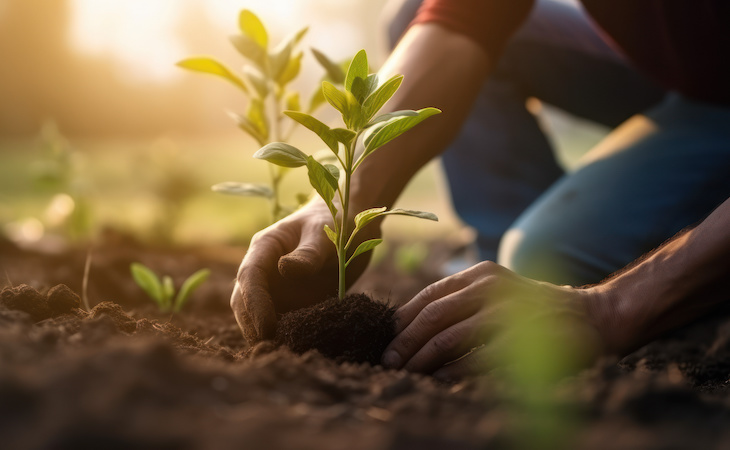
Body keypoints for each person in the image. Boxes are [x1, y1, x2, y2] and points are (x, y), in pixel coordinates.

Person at [231, 0, 730, 379]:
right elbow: (459, 21)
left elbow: (615, 306)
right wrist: (347, 195)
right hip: (691, 74)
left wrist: (613, 306)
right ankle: (505, 279)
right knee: (415, 16)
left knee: (551, 260)